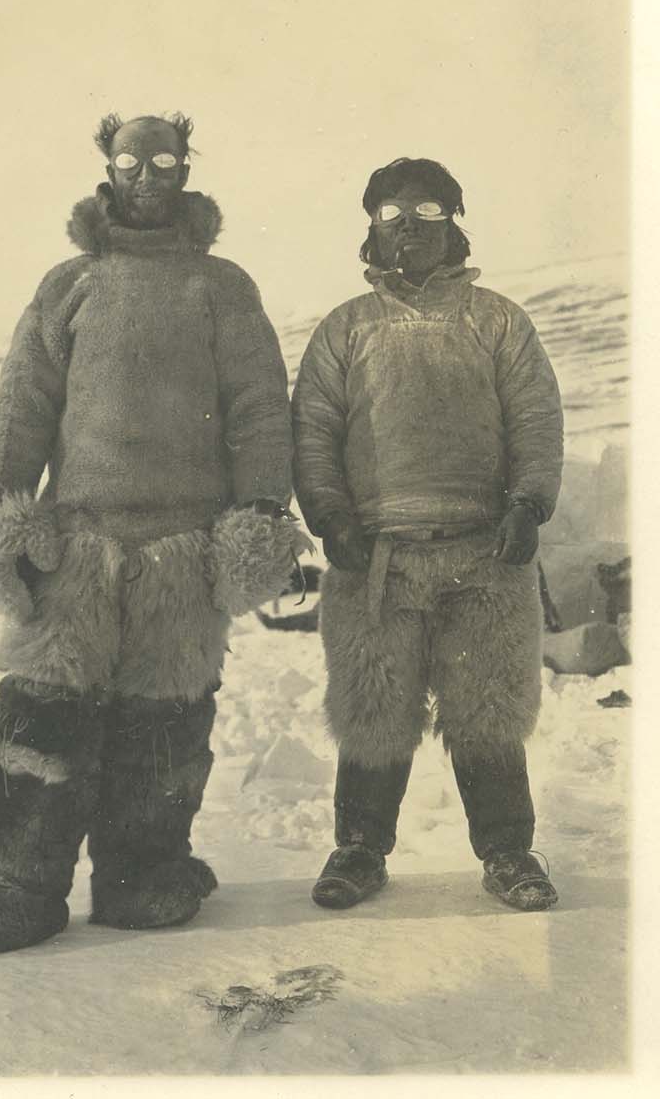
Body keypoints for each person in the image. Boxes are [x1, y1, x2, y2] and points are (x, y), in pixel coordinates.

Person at [0, 113, 301, 953]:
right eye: (132, 159)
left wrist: (262, 512)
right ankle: (9, 880)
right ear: (109, 168)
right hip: (75, 546)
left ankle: (144, 874)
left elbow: (261, 408)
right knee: (38, 712)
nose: (149, 174)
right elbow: (22, 405)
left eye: (166, 159)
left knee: (163, 722)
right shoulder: (69, 283)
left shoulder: (222, 285)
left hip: (184, 552)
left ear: (186, 168)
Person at [291, 157, 563, 913]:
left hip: (485, 552)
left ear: (456, 224)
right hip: (377, 558)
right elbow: (313, 431)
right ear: (371, 228)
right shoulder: (346, 329)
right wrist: (331, 516)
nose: (409, 227)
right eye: (392, 214)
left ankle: (508, 851)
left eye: (430, 212)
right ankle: (359, 849)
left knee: (486, 709)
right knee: (374, 711)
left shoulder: (498, 319)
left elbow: (536, 419)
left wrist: (528, 504)